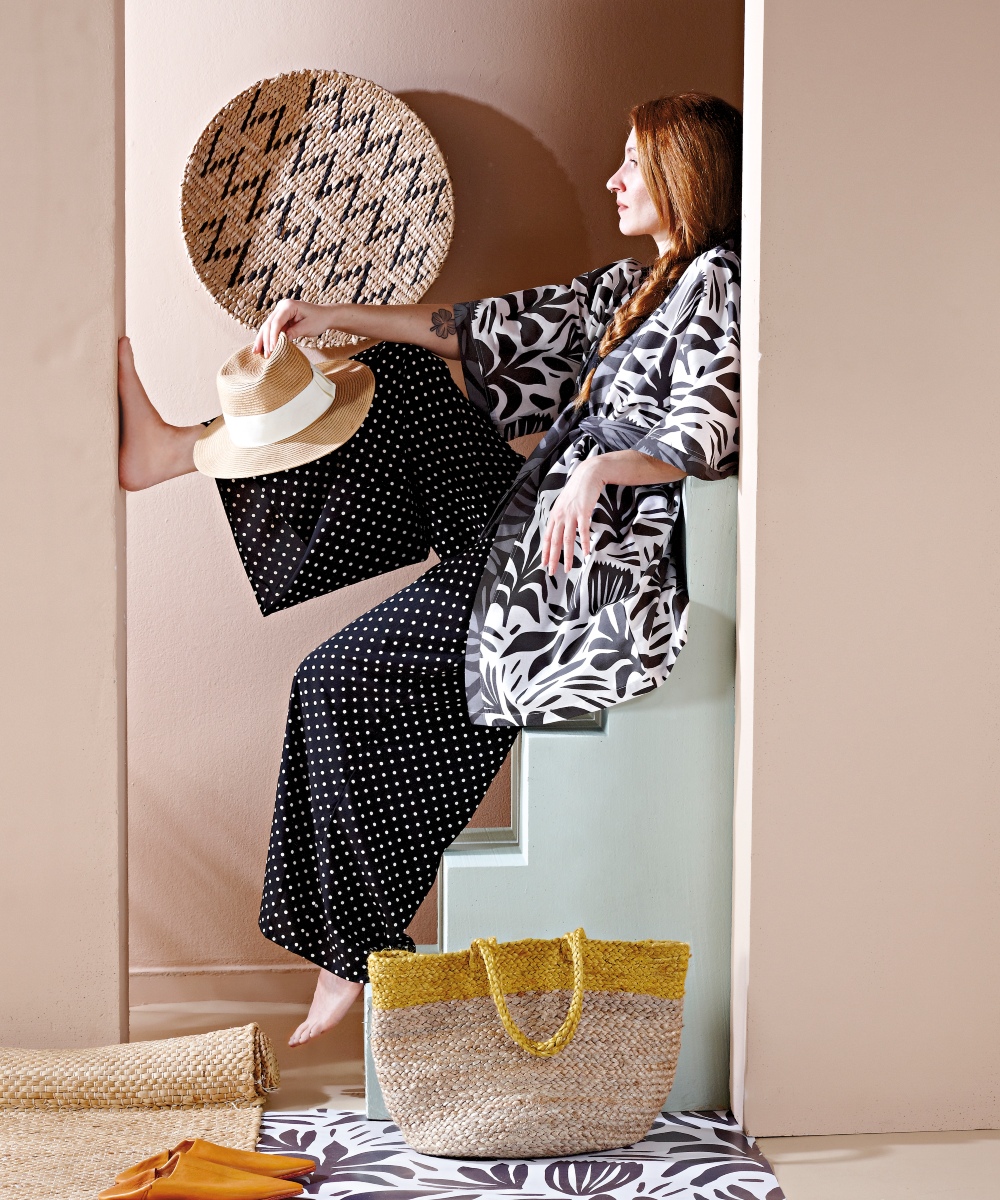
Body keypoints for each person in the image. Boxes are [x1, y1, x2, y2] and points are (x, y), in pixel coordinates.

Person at [118, 92, 742, 1045]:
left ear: (682, 174)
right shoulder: (637, 287)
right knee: (405, 376)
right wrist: (327, 315)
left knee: (328, 681)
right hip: (530, 515)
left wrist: (606, 470)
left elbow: (712, 416)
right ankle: (176, 452)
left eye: (633, 163)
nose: (615, 179)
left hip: (579, 567)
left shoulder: (717, 283)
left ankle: (351, 949)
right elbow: (483, 328)